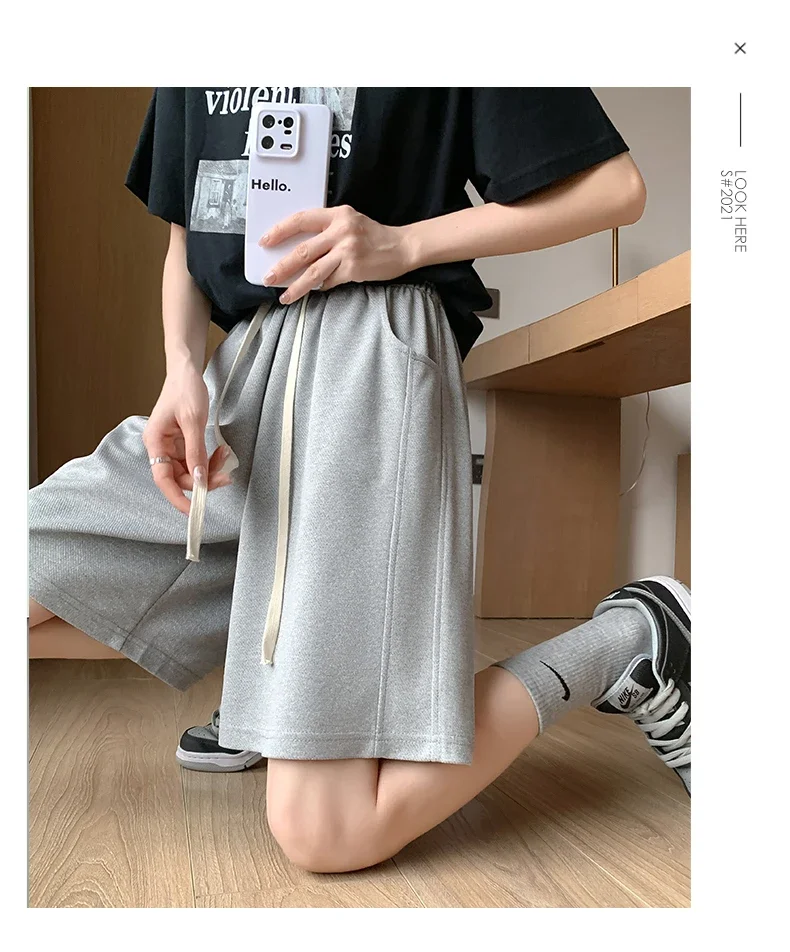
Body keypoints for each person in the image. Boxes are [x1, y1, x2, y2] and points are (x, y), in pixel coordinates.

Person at [29, 87, 690, 874]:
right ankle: (270, 684)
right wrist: (180, 368)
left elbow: (613, 189)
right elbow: (187, 232)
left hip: (372, 351)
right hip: (241, 364)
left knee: (329, 833)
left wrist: (402, 243)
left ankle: (634, 638)